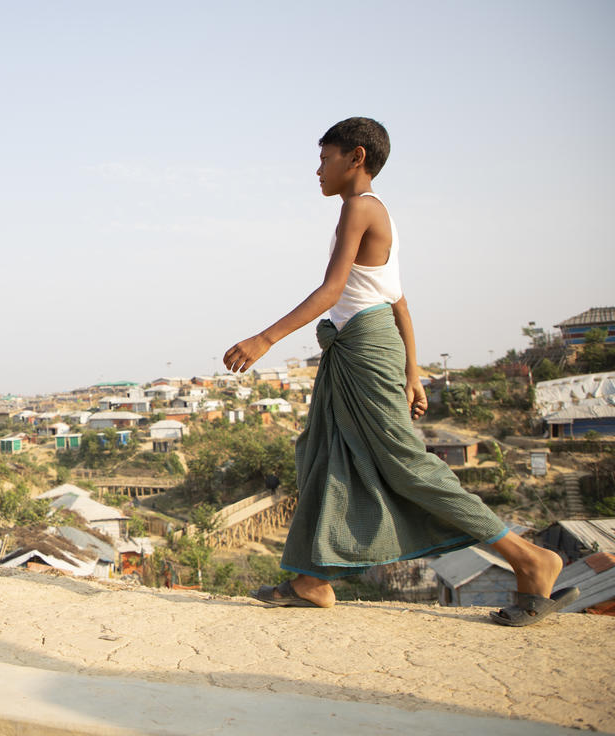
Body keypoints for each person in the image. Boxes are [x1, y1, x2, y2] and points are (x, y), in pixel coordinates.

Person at [224, 117, 576, 627]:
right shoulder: (371, 212)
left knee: (406, 463)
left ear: (356, 157)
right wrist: (413, 371)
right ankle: (311, 580)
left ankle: (530, 558)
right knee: (322, 454)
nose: (317, 169)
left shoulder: (361, 208)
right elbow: (399, 301)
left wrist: (265, 338)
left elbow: (331, 291)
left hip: (364, 349)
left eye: (325, 158)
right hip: (359, 349)